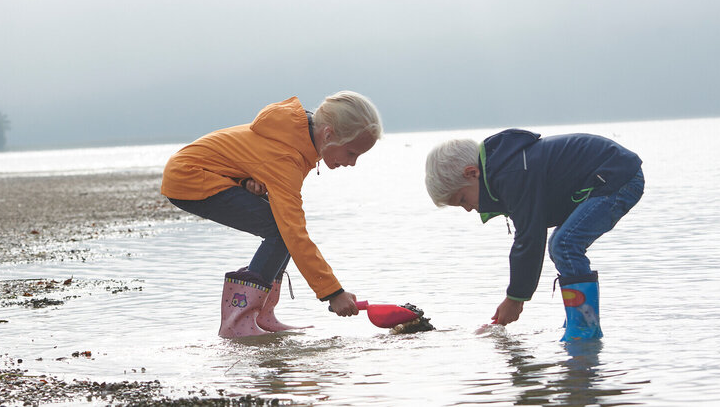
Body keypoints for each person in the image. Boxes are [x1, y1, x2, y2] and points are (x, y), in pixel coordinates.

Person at [161, 91, 382, 338]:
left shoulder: (300, 138)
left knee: (281, 228)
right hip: (189, 176)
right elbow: (294, 233)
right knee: (281, 231)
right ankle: (239, 321)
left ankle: (263, 316)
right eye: (351, 153)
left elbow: (246, 158)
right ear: (328, 134)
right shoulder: (286, 155)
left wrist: (244, 180)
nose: (352, 163)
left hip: (208, 171)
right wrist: (333, 293)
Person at [424, 129, 644, 341]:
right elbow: (530, 233)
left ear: (472, 173)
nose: (468, 209)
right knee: (561, 244)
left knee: (564, 244)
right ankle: (578, 322)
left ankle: (585, 330)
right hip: (607, 175)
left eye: (463, 199)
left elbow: (529, 237)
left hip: (617, 176)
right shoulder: (505, 169)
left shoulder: (512, 174)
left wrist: (515, 299)